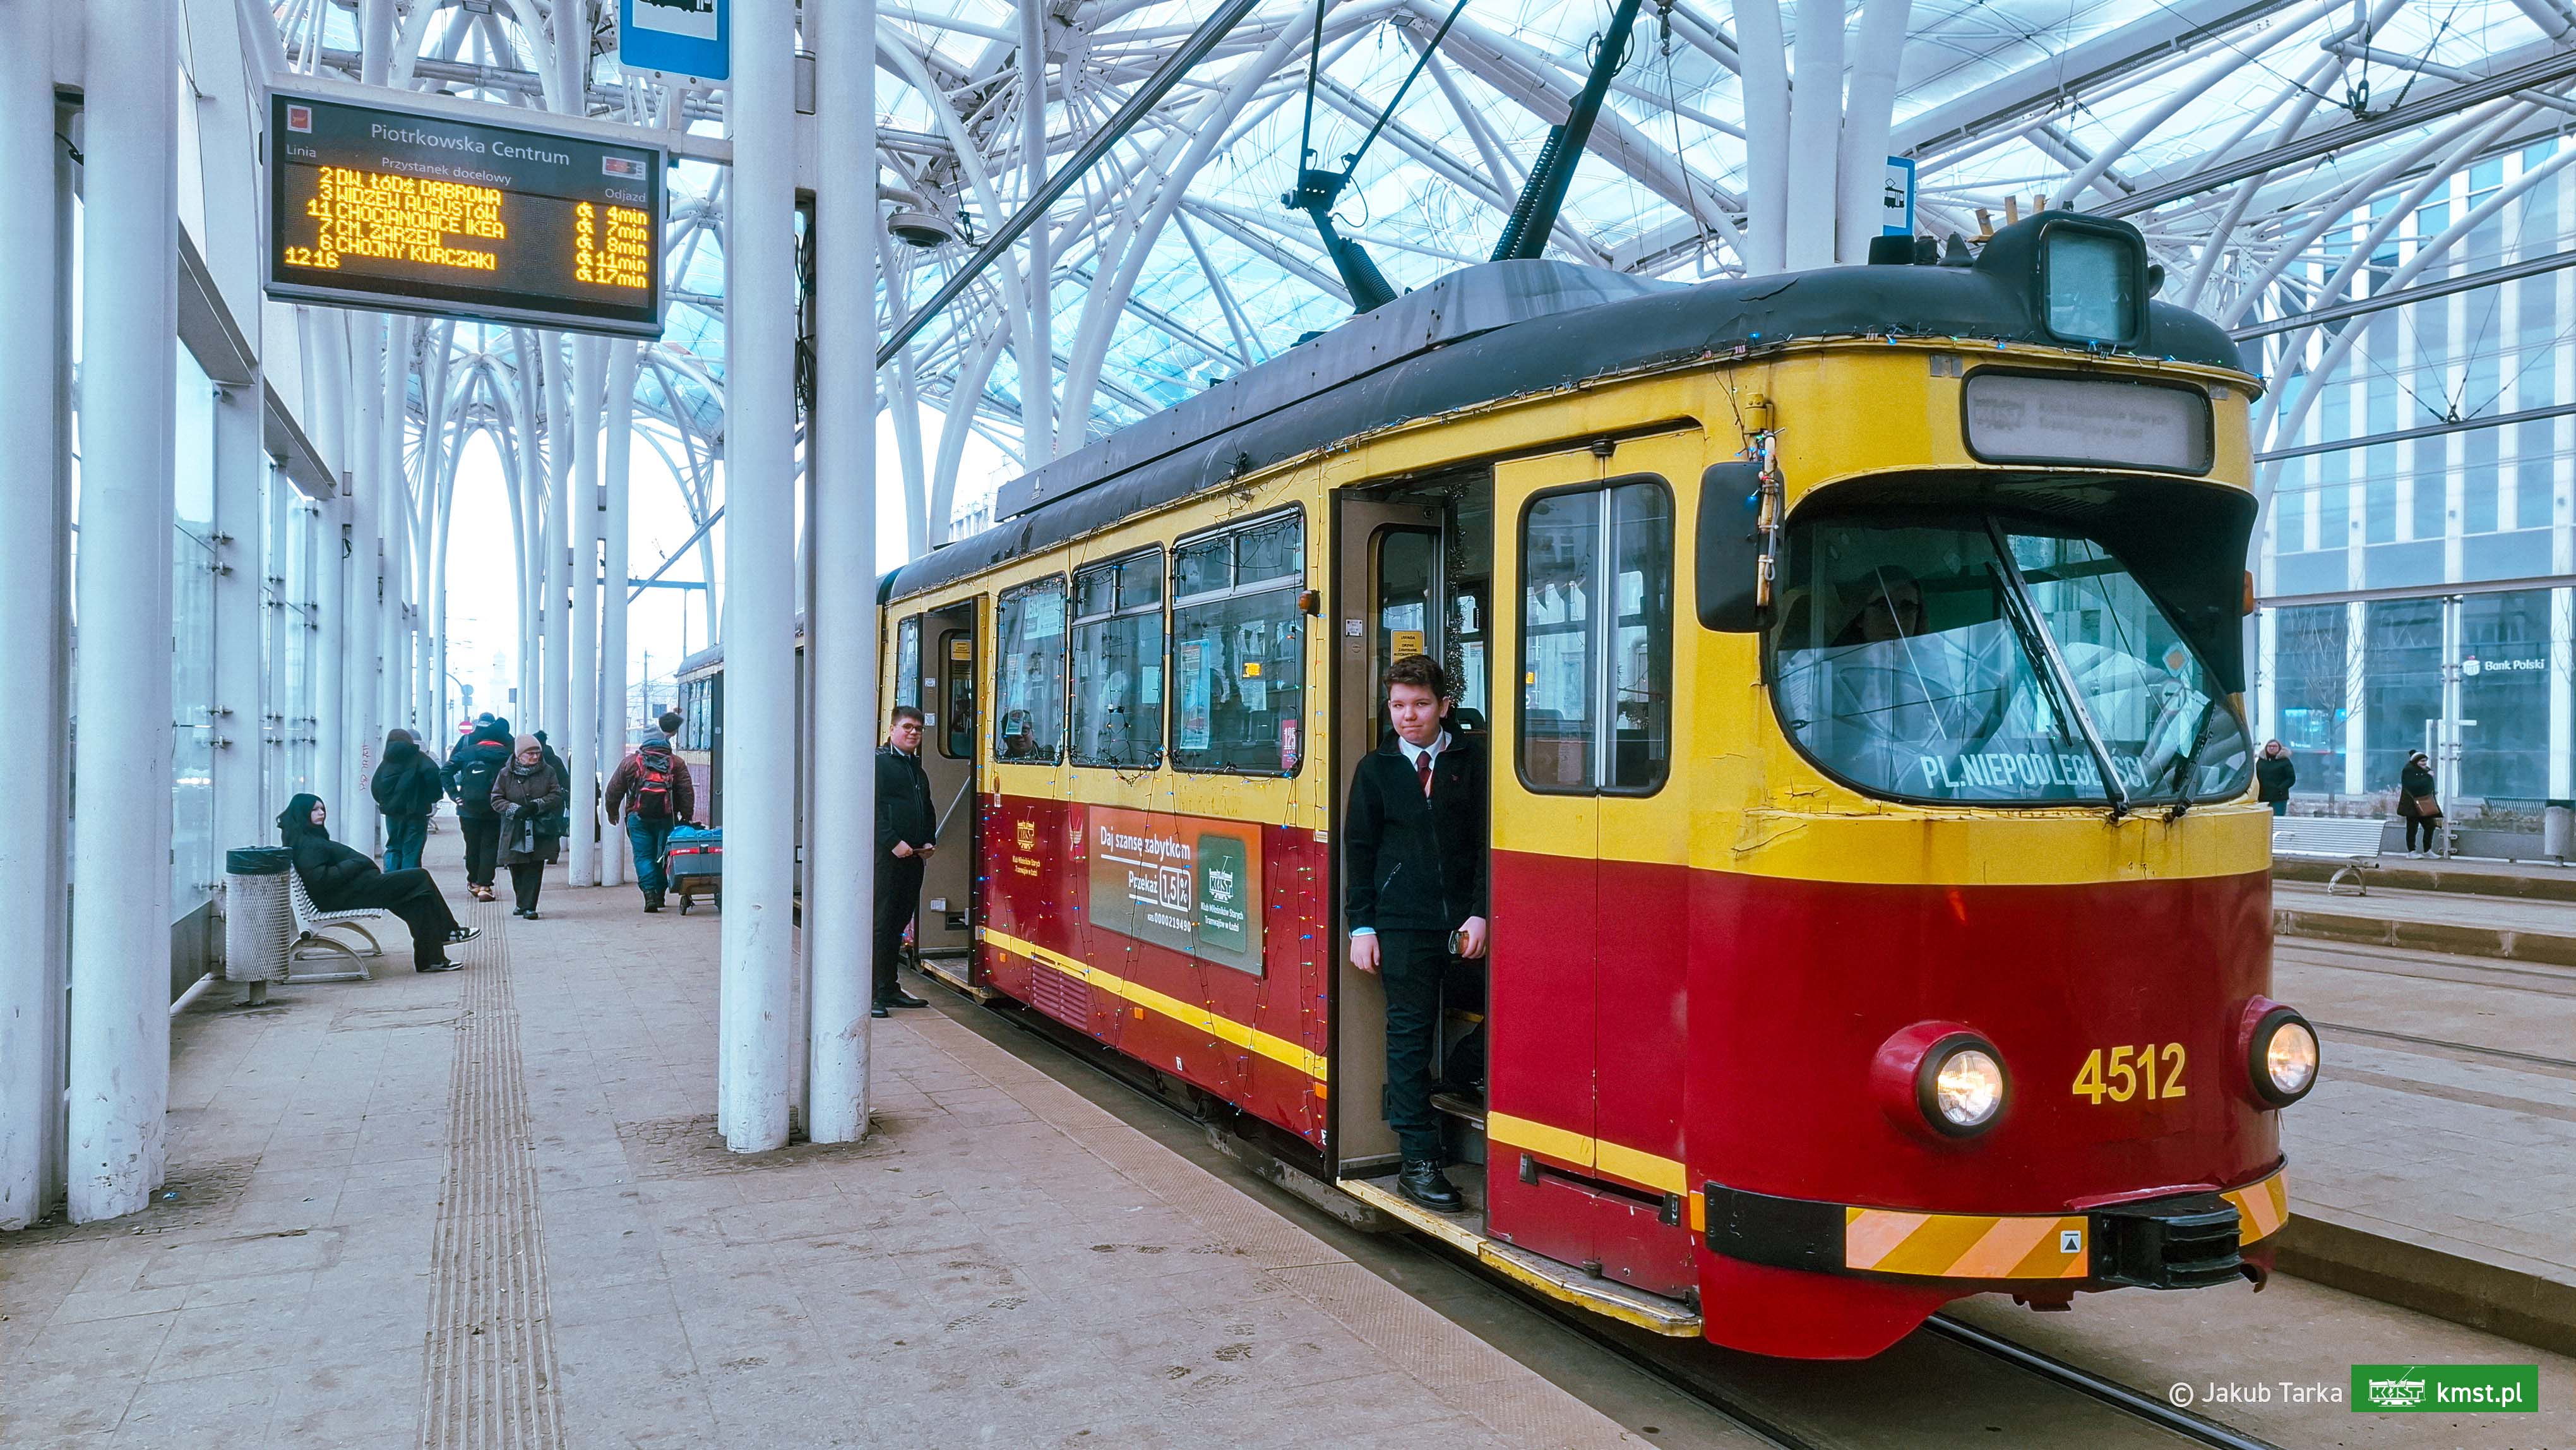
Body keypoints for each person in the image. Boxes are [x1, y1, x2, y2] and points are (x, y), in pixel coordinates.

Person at [1344, 654, 1488, 1214]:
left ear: (1444, 707)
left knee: (1517, 1002)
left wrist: (1480, 913)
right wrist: (1362, 926)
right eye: (1399, 705)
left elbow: (1487, 844)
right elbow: (1360, 852)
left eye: (1421, 704)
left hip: (1466, 924)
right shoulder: (1375, 769)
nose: (1409, 716)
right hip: (1401, 924)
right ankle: (1419, 1163)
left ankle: (1464, 1072)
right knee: (1408, 1039)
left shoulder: (1473, 763)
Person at [276, 794, 477, 972]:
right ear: (302, 813)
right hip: (342, 897)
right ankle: (448, 931)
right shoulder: (308, 844)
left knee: (418, 898)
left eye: (322, 809)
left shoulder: (306, 837)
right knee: (420, 877)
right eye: (314, 810)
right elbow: (321, 879)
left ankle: (432, 959)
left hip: (348, 891)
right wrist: (356, 863)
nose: (321, 813)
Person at [874, 705, 937, 1018]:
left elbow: (926, 806)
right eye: (908, 727)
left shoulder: (916, 768)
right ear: (892, 730)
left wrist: (928, 840)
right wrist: (893, 843)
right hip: (887, 859)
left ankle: (889, 987)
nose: (914, 733)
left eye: (919, 729)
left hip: (912, 858)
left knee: (898, 923)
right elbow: (870, 809)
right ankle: (872, 992)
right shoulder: (879, 764)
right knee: (881, 924)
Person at [605, 710, 697, 913]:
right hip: (667, 817)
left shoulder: (631, 762)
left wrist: (612, 812)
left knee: (643, 856)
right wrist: (686, 816)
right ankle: (660, 894)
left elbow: (613, 790)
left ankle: (649, 894)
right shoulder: (675, 762)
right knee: (663, 855)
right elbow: (686, 791)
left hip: (637, 817)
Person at [491, 735, 566, 918]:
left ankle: (529, 906)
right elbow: (496, 799)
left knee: (535, 866)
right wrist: (514, 809)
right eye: (530, 753)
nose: (535, 757)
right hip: (514, 828)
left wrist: (537, 805)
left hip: (538, 827)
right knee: (516, 865)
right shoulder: (505, 774)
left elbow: (556, 795)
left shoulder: (548, 772)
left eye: (537, 753)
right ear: (519, 755)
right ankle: (521, 902)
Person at [443, 717, 514, 901]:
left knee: (472, 846)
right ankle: (485, 886)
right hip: (495, 808)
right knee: (490, 847)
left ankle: (473, 881)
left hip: (468, 808)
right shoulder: (507, 756)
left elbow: (445, 771)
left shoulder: (468, 752)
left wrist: (454, 795)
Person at [371, 729, 444, 872]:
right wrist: (432, 799)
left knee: (393, 846)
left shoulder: (386, 762)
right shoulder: (422, 759)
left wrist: (385, 803)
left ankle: (391, 878)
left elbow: (376, 787)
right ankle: (409, 880)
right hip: (417, 812)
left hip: (392, 813)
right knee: (412, 849)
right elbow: (434, 779)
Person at [2399, 750, 2443, 856]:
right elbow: (2413, 785)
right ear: (2416, 761)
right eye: (2422, 761)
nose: (2425, 763)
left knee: (2430, 826)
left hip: (2424, 804)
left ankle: (2427, 850)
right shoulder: (2409, 770)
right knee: (2412, 828)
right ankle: (2411, 851)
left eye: (2425, 761)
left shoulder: (2423, 770)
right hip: (2412, 805)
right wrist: (2427, 776)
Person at [2256, 740, 2296, 817]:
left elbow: (2291, 779)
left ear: (2279, 748)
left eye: (2274, 746)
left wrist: (2280, 788)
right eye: (2270, 746)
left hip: (2279, 798)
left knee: (2277, 819)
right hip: (2262, 797)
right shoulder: (2261, 761)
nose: (2272, 748)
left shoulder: (2285, 761)